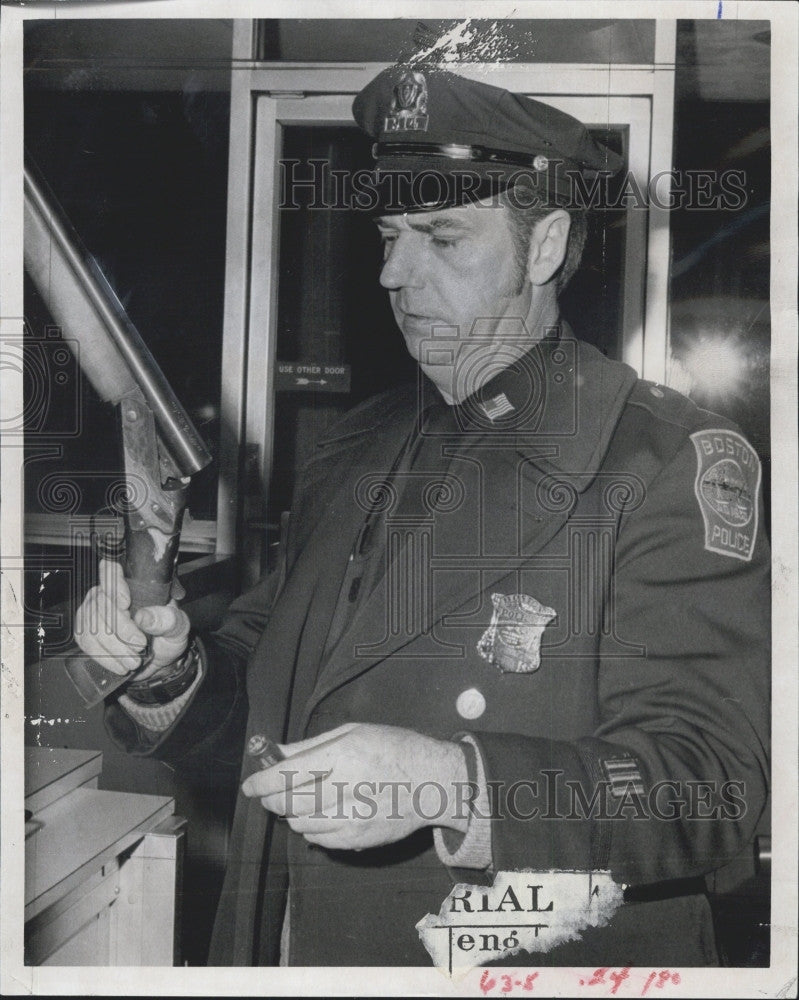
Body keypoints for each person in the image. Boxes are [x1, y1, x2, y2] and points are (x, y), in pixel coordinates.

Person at [74, 66, 770, 967]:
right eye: (390, 235)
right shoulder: (353, 448)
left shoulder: (662, 461)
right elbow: (271, 708)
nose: (395, 273)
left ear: (547, 244)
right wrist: (171, 673)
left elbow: (708, 785)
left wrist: (456, 784)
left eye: (441, 236)